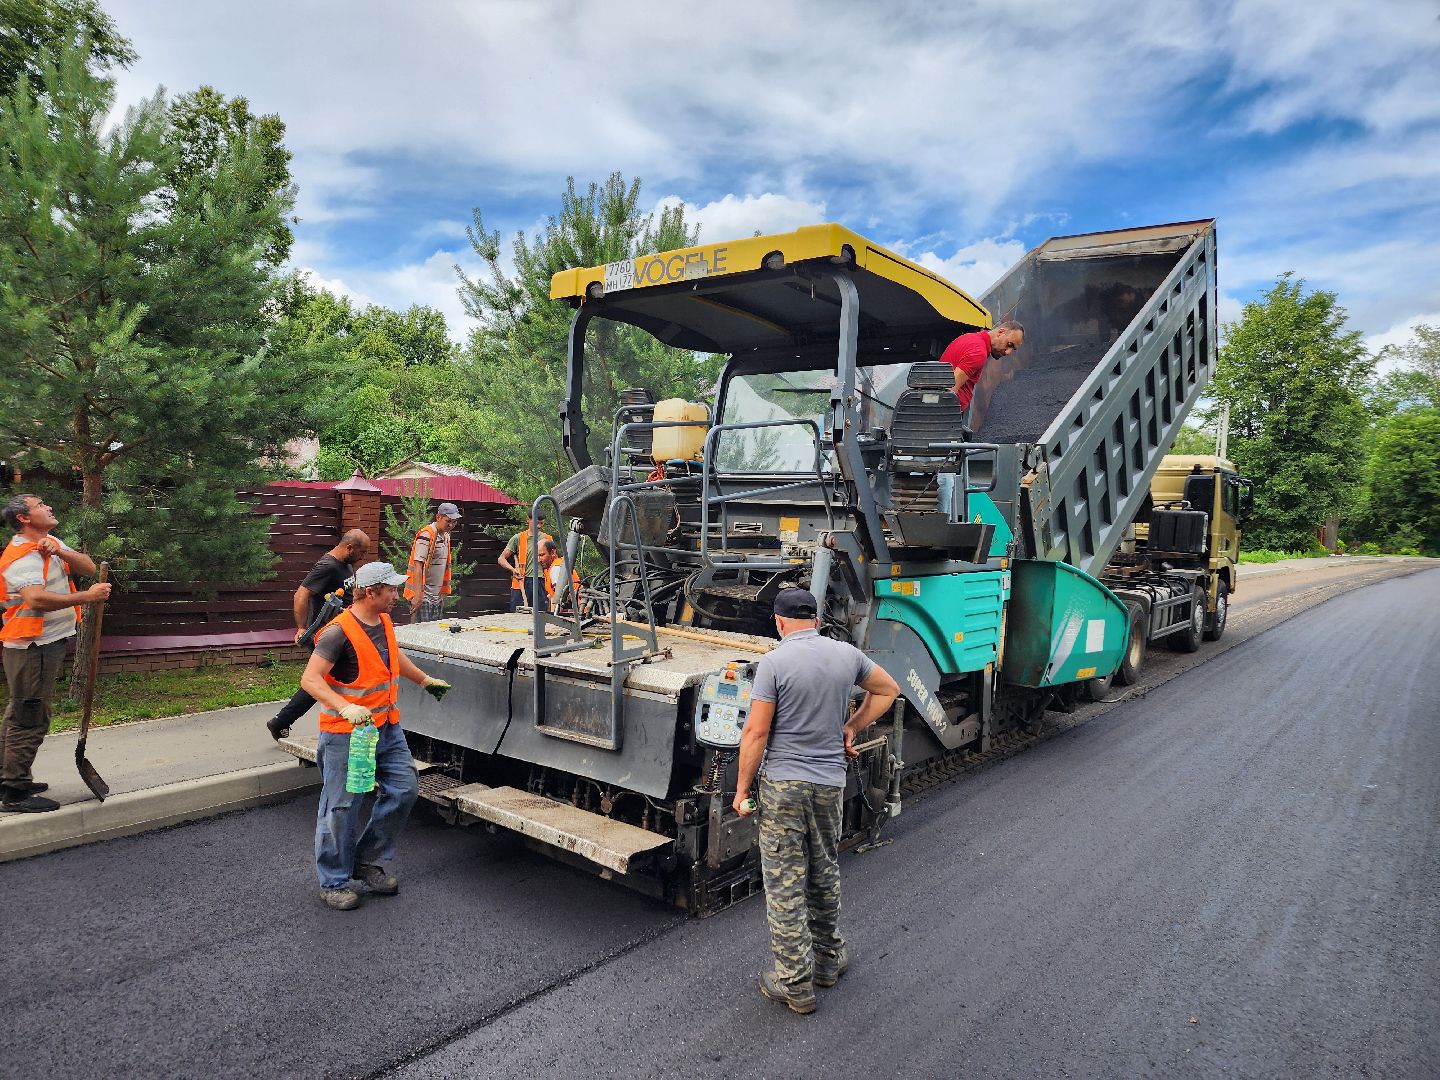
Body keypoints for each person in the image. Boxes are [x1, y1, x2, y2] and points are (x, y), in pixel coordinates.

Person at [733, 588, 901, 1014]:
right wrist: (851, 727)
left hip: (784, 785)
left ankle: (795, 984)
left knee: (786, 880)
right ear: (816, 619)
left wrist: (741, 791)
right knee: (824, 869)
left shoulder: (774, 662)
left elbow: (755, 733)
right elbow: (888, 690)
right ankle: (828, 962)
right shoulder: (846, 655)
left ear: (779, 621)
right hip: (829, 784)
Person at [299, 560, 448, 911]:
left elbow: (392, 658)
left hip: (385, 729)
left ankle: (364, 860)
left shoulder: (382, 621)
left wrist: (424, 680)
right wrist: (343, 707)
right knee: (341, 806)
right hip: (347, 736)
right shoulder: (338, 632)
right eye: (392, 589)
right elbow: (310, 679)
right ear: (371, 592)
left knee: (405, 790)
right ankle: (333, 881)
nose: (397, 595)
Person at [0, 494, 112, 813]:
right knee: (30, 715)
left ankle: (6, 777)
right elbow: (35, 599)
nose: (48, 507)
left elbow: (88, 566)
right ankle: (15, 791)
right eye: (40, 505)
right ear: (24, 518)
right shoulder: (22, 556)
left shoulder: (48, 542)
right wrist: (87, 597)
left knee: (20, 711)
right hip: (31, 646)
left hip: (44, 643)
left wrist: (60, 548)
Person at [265, 529, 369, 741]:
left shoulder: (344, 564)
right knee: (322, 681)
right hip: (326, 634)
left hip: (341, 632)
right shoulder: (327, 566)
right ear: (350, 548)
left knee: (329, 681)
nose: (363, 557)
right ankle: (282, 721)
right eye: (362, 551)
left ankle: (284, 721)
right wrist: (302, 628)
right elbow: (301, 594)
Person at [936, 319, 1025, 515]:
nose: (1008, 352)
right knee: (944, 475)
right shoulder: (977, 352)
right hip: (943, 419)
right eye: (1009, 345)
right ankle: (943, 523)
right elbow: (949, 392)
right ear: (1001, 332)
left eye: (1014, 350)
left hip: (936, 419)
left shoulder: (968, 339)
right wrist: (946, 429)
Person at [405, 502, 461, 623]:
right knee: (422, 635)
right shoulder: (426, 535)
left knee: (434, 634)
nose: (451, 525)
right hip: (424, 597)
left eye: (454, 521)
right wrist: (418, 594)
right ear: (438, 517)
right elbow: (417, 565)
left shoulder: (445, 536)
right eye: (448, 521)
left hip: (437, 597)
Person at [498, 511, 551, 612]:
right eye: (536, 523)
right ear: (528, 519)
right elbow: (501, 559)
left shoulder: (547, 539)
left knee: (541, 616)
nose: (539, 526)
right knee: (518, 617)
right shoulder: (518, 538)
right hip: (522, 582)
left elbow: (554, 562)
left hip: (541, 582)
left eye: (541, 523)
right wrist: (513, 570)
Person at [540, 538, 582, 614]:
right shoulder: (558, 565)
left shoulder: (556, 569)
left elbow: (561, 598)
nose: (538, 560)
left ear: (553, 552)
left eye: (542, 555)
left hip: (577, 613)